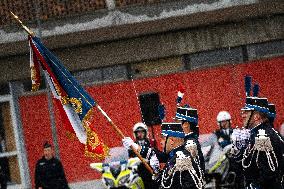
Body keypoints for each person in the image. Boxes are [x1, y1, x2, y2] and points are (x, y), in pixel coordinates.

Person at [231, 79, 284, 189]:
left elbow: (269, 172)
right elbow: (245, 167)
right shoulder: (256, 134)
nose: (243, 115)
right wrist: (238, 150)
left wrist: (254, 186)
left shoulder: (262, 136)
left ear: (256, 116)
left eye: (246, 112)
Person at [128, 122, 158, 189]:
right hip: (138, 171)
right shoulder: (132, 145)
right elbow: (129, 157)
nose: (140, 134)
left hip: (150, 170)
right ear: (135, 134)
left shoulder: (151, 143)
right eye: (138, 132)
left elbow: (155, 154)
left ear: (145, 132)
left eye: (142, 132)